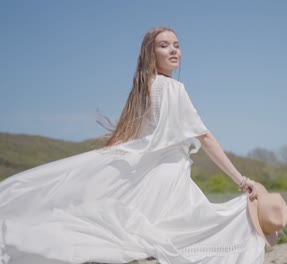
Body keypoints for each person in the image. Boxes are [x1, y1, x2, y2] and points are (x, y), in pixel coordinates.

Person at [0, 26, 267, 264]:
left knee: (143, 237)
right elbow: (205, 138)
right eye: (164, 45)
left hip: (150, 177)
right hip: (168, 180)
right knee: (194, 235)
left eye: (177, 45)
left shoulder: (144, 88)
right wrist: (241, 180)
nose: (173, 50)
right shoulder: (174, 89)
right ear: (151, 54)